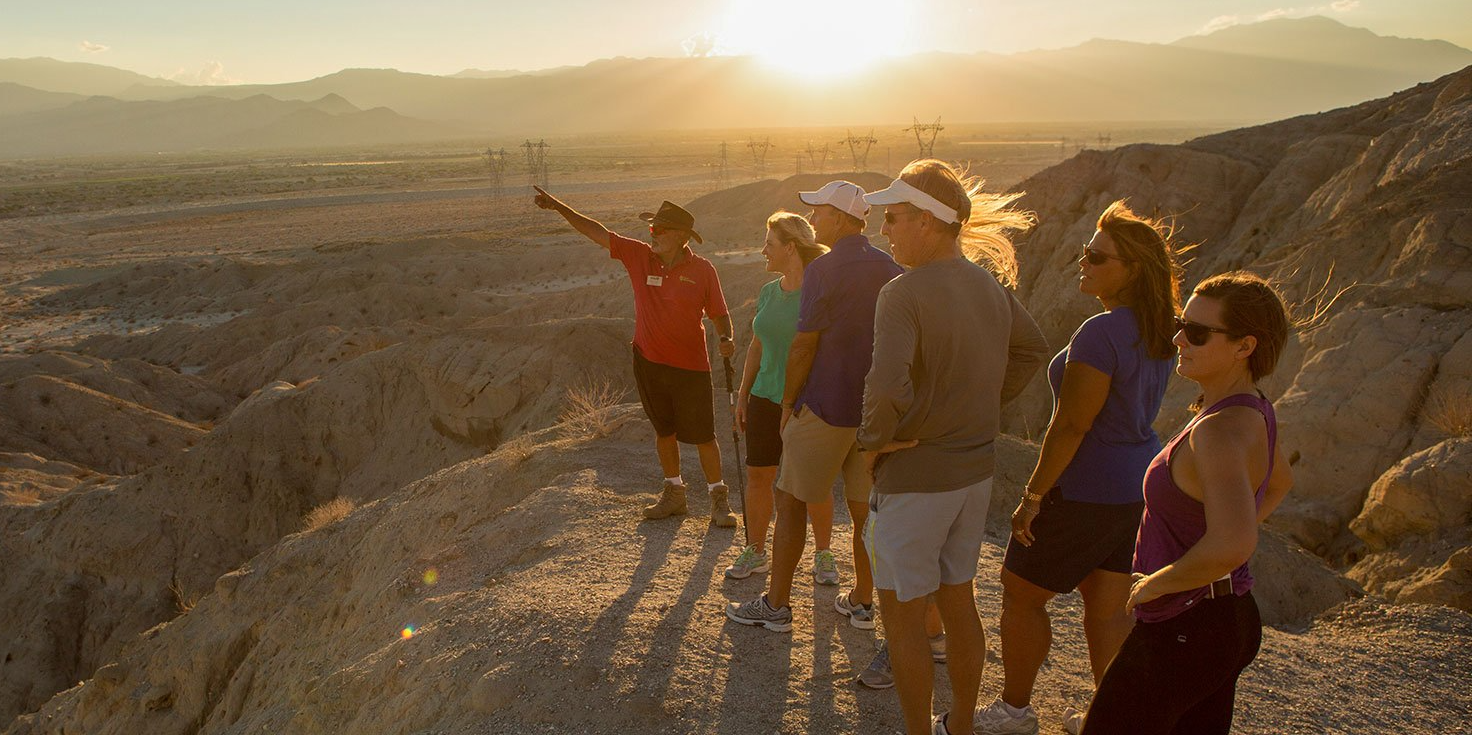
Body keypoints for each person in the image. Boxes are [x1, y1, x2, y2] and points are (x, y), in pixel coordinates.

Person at [976, 202, 1182, 735]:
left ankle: (1015, 712)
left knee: (1020, 594)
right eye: (1083, 253)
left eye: (1096, 256)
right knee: (1108, 608)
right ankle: (1107, 716)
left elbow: (1070, 427)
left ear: (1132, 269)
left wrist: (1033, 495)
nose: (1082, 263)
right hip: (1135, 485)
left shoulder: (1101, 332)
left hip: (1083, 487)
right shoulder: (1160, 330)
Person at [859, 159, 1050, 735]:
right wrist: (983, 405)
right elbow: (1032, 348)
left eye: (892, 218)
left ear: (927, 221)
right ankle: (960, 725)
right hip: (974, 470)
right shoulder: (988, 286)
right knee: (959, 601)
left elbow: (885, 384)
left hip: (916, 475)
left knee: (902, 618)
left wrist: (874, 442)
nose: (884, 230)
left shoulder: (902, 293)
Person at [1080, 271, 1293, 735]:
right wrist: (1219, 535)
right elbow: (1279, 482)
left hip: (1186, 627)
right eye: (1181, 323)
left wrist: (1158, 583)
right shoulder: (1254, 410)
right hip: (1229, 617)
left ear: (1245, 346)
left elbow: (1234, 542)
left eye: (1197, 333)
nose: (1179, 338)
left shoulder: (1216, 432)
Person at [727, 180, 902, 632]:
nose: (815, 222)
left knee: (790, 501)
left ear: (842, 219)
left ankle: (777, 605)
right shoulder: (889, 266)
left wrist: (788, 403)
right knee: (864, 512)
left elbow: (804, 345)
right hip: (871, 413)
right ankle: (863, 603)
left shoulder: (824, 269)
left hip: (824, 406)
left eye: (821, 213)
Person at [532, 186, 737, 526]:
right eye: (651, 228)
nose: (652, 234)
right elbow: (597, 231)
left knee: (703, 436)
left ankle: (719, 499)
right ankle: (675, 494)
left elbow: (719, 313)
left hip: (692, 366)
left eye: (660, 230)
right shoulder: (639, 255)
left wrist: (726, 337)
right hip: (649, 361)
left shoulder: (703, 270)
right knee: (664, 431)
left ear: (682, 236)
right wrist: (559, 207)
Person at [726, 212, 834, 579]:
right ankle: (755, 551)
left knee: (811, 482)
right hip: (764, 397)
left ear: (790, 247)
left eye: (769, 244)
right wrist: (743, 395)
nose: (763, 251)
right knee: (758, 476)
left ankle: (823, 554)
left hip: (806, 403)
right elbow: (757, 345)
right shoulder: (769, 293)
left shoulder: (819, 294)